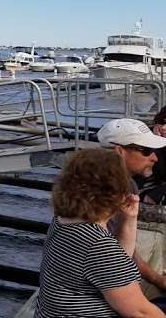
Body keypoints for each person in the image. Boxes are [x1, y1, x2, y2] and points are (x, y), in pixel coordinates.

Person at [36, 148, 164, 317]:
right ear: (114, 190)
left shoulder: (62, 222)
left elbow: (117, 263)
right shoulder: (97, 244)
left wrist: (129, 219)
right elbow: (140, 312)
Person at [99, 118, 166, 291]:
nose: (154, 158)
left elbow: (121, 246)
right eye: (146, 150)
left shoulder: (127, 185)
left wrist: (158, 280)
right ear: (120, 151)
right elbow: (110, 257)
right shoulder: (103, 192)